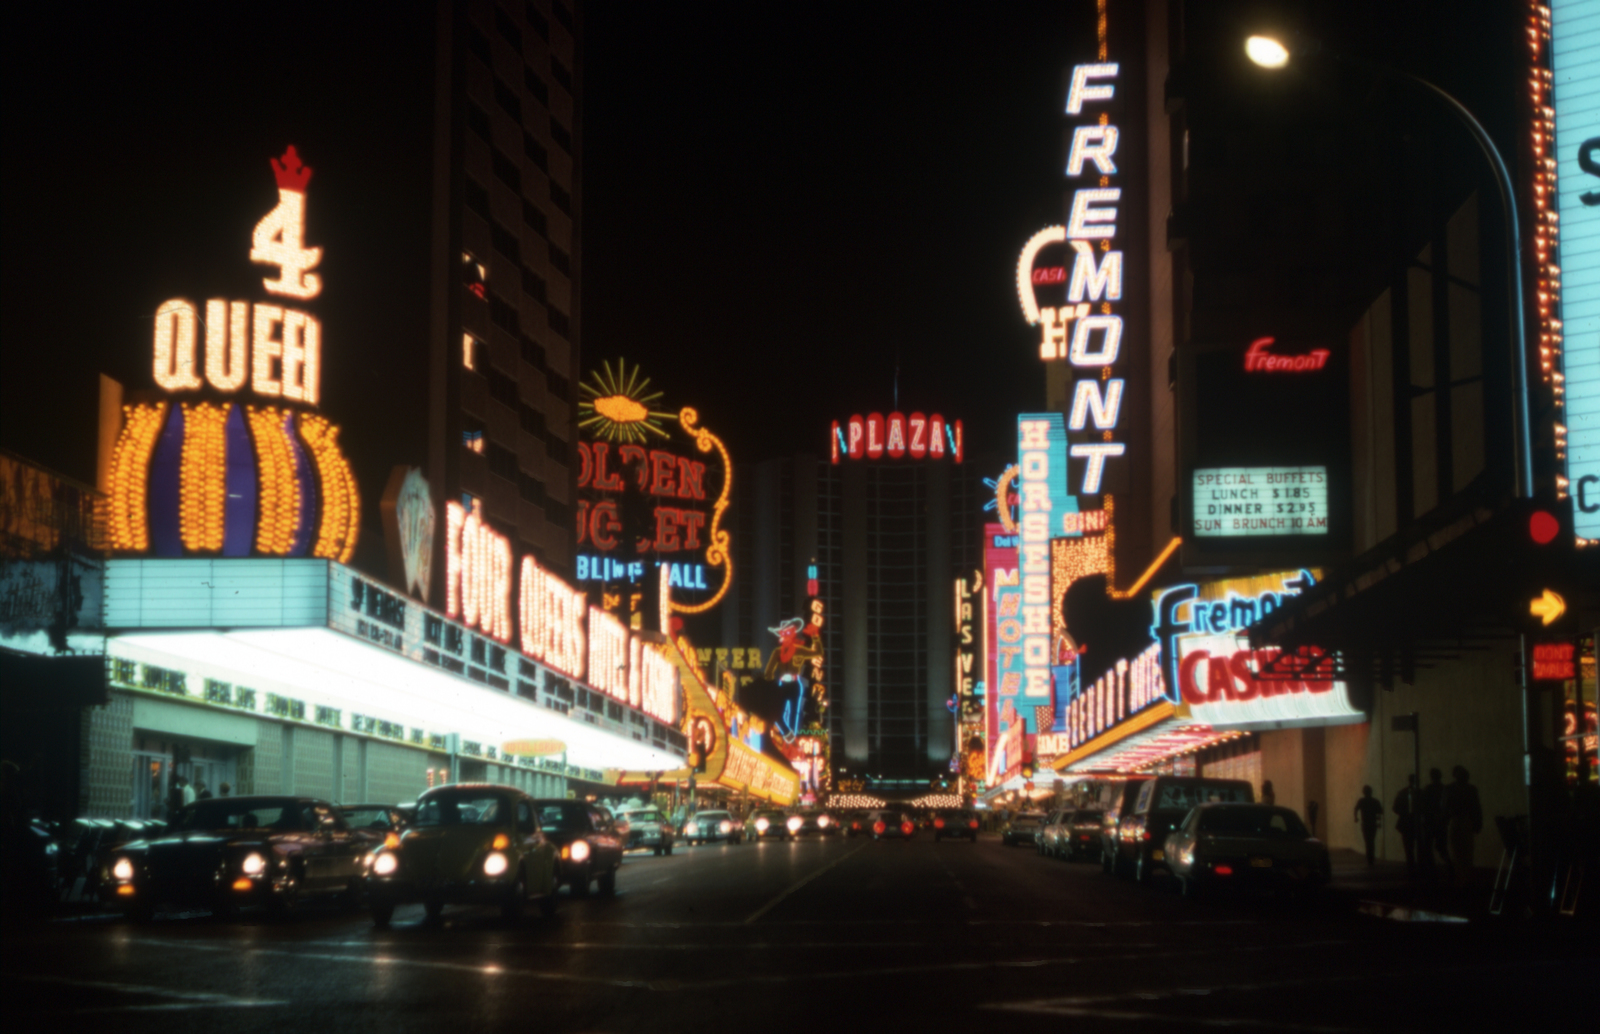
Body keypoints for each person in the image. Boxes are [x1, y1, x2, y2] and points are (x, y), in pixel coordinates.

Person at [1442, 765, 1482, 889]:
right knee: (1466, 851)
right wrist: (1478, 822)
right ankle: (1465, 878)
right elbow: (1476, 807)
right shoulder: (1471, 789)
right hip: (1466, 821)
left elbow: (1444, 807)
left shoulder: (1449, 789)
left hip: (1456, 821)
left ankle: (1460, 878)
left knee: (1456, 851)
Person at [1420, 767, 1448, 877]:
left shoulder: (1428, 789)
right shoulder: (1444, 789)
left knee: (1427, 846)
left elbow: (1423, 805)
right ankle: (1448, 866)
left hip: (1429, 821)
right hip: (1440, 821)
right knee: (1441, 846)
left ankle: (1430, 870)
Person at [1393, 775, 1420, 875]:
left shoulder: (1402, 793)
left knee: (1408, 848)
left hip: (1406, 823)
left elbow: (1395, 808)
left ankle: (1411, 868)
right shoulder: (1421, 792)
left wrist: (1404, 813)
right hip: (1418, 823)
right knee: (1420, 846)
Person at [1354, 785, 1383, 866]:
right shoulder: (1375, 801)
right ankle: (1371, 858)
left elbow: (1356, 809)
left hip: (1365, 823)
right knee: (1372, 841)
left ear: (1364, 792)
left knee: (1367, 841)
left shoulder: (1361, 801)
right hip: (1373, 823)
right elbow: (1380, 811)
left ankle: (1369, 858)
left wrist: (1356, 818)